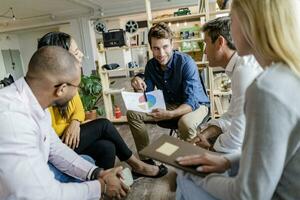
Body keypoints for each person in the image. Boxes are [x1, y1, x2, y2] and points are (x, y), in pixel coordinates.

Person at [175, 0, 300, 199]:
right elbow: (273, 153)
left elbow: (248, 195)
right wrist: (228, 162)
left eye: (232, 20)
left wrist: (198, 176)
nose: (230, 30)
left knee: (183, 177)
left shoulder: (266, 88)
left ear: (249, 22)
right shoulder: (287, 73)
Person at [0, 46, 129, 199]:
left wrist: (98, 173)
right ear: (61, 89)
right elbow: (42, 196)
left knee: (87, 162)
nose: (78, 92)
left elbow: (55, 149)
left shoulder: (34, 103)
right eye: (77, 87)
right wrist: (102, 186)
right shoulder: (11, 119)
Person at [38, 32, 168, 179]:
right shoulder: (45, 95)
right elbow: (50, 142)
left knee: (108, 147)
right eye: (75, 52)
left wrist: (75, 122)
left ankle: (104, 186)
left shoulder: (68, 83)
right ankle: (137, 165)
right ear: (59, 59)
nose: (81, 54)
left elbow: (79, 110)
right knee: (104, 124)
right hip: (59, 145)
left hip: (72, 137)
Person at [127, 22, 210, 155]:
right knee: (132, 113)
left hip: (197, 105)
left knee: (185, 123)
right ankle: (146, 158)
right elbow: (146, 96)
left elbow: (191, 102)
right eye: (156, 48)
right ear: (151, 48)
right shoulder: (151, 65)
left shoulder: (186, 63)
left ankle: (192, 161)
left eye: (165, 47)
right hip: (170, 104)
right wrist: (137, 83)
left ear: (172, 44)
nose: (161, 53)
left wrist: (170, 114)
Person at [191, 16, 262, 153]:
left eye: (206, 43)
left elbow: (237, 138)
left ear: (219, 42)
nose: (205, 51)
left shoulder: (244, 71)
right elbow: (232, 115)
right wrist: (206, 133)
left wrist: (210, 149)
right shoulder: (238, 67)